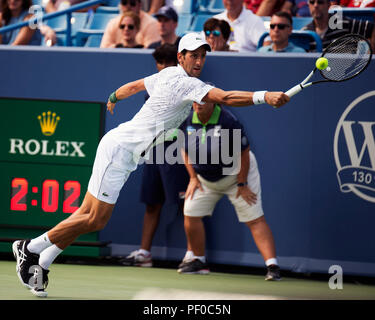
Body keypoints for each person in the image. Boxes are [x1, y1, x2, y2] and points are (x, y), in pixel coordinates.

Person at [12, 32, 289, 297]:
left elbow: (134, 87)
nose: (199, 61)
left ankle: (41, 263)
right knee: (96, 219)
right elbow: (226, 97)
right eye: (193, 55)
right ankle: (30, 246)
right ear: (180, 57)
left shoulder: (167, 73)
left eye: (203, 56)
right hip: (119, 150)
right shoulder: (186, 83)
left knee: (85, 214)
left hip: (123, 153)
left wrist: (114, 96)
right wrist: (265, 96)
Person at [176, 101, 281, 281]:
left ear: (213, 103)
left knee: (255, 219)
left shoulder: (227, 120)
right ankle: (199, 261)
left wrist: (242, 183)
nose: (198, 104)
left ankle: (272, 266)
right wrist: (193, 177)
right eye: (195, 101)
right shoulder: (188, 119)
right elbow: (184, 150)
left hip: (236, 176)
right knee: (190, 215)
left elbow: (244, 151)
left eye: (203, 101)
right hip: (204, 180)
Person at [119, 43, 189, 267]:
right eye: (159, 63)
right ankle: (144, 253)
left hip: (176, 152)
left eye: (167, 63)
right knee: (151, 203)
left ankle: (194, 255)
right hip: (153, 151)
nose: (162, 67)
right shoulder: (153, 86)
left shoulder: (186, 86)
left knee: (188, 205)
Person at [302, 0, 375, 51]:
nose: (315, 5)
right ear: (308, 6)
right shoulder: (305, 32)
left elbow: (372, 28)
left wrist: (372, 55)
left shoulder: (342, 23)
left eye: (320, 2)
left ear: (328, 5)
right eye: (312, 2)